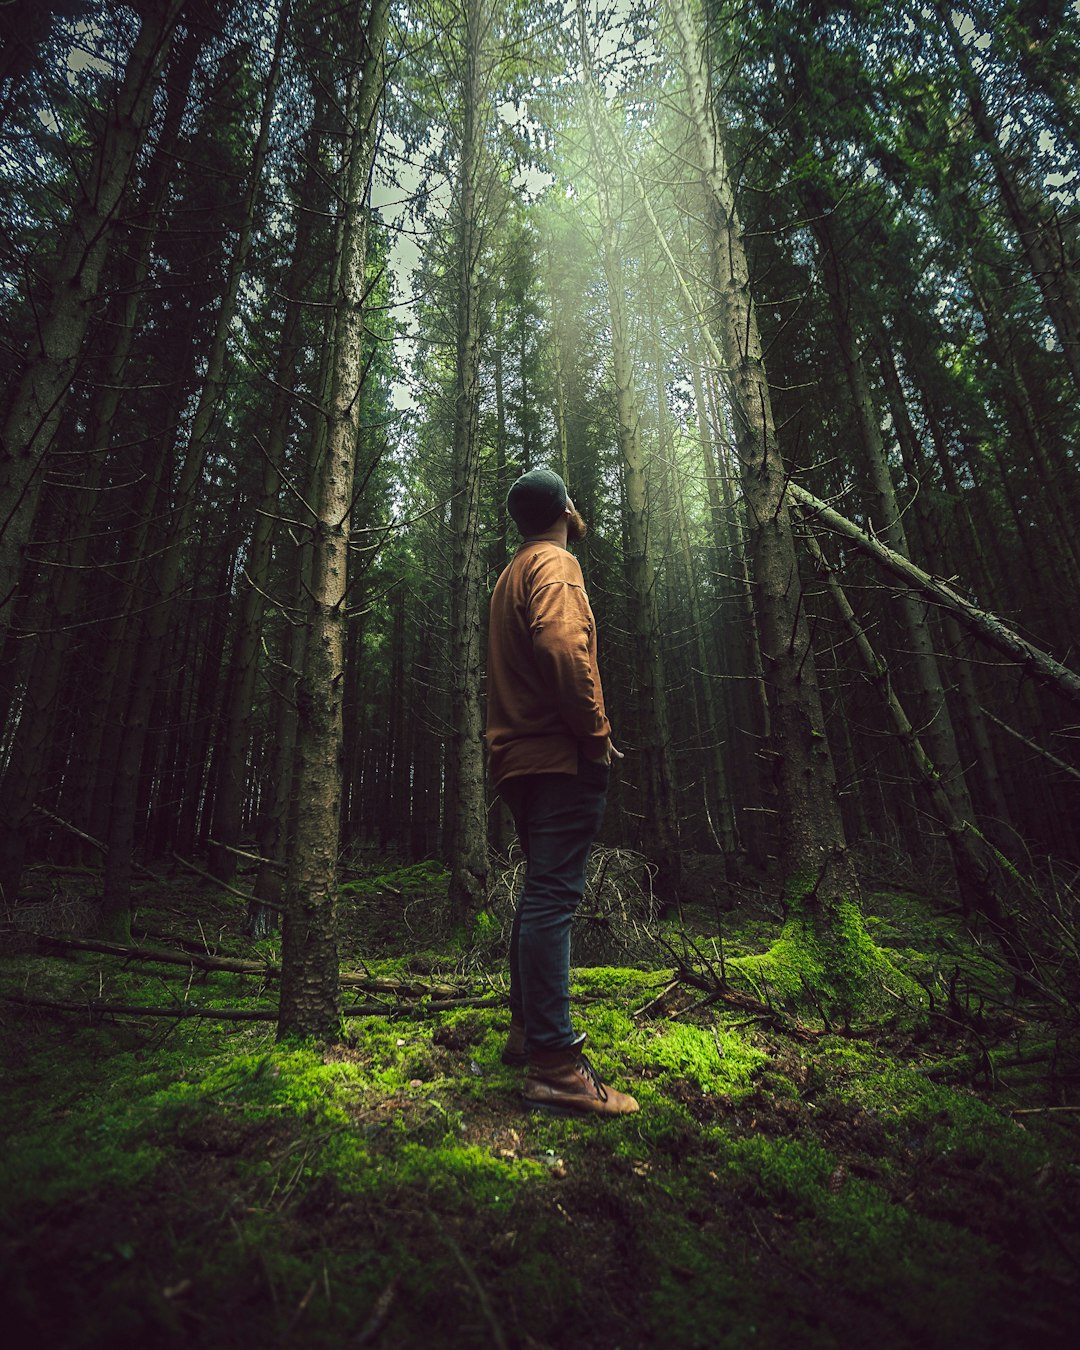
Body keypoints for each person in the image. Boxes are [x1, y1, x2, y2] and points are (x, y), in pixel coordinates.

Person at [486, 468, 639, 1117]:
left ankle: (527, 1035)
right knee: (554, 896)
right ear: (566, 509)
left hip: (517, 761)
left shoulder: (510, 573)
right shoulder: (555, 562)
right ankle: (554, 1064)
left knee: (539, 893)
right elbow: (562, 644)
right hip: (557, 756)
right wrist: (597, 733)